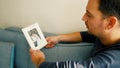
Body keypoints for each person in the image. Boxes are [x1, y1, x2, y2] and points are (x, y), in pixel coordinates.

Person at [30, 0, 120, 68]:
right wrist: (58, 38)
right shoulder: (108, 34)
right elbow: (88, 35)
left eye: (89, 15)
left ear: (110, 23)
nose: (83, 18)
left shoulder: (113, 59)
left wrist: (39, 61)